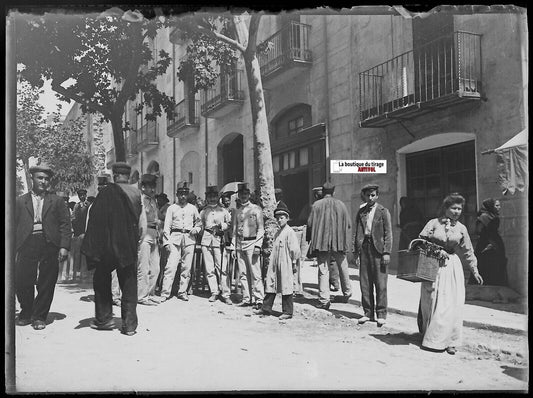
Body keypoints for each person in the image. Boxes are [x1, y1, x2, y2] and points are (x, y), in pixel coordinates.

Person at [81, 162, 147, 336]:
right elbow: (143, 225)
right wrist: (135, 242)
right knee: (129, 284)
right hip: (128, 247)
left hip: (108, 248)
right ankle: (129, 325)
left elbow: (95, 221)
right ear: (128, 175)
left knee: (101, 280)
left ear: (114, 175)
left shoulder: (105, 192)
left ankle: (104, 319)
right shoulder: (137, 194)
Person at [417, 193, 484, 355]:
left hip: (452, 267)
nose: (456, 211)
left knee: (451, 304)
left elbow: (468, 251)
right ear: (446, 208)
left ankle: (451, 341)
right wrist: (436, 250)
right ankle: (431, 337)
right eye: (453, 208)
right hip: (432, 264)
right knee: (432, 300)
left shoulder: (461, 228)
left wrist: (475, 270)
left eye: (459, 209)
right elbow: (419, 242)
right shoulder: (433, 223)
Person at [15, 165, 72, 330]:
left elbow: (65, 225)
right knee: (23, 279)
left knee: (47, 281)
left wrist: (64, 247)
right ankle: (26, 312)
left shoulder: (57, 201)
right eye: (40, 178)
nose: (43, 181)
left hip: (49, 243)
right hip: (27, 242)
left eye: (46, 179)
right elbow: (12, 225)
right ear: (32, 178)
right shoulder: (20, 201)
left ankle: (39, 316)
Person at [306, 181, 352, 310]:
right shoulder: (341, 205)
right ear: (334, 192)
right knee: (343, 266)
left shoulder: (316, 205)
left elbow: (309, 224)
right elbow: (348, 224)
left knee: (323, 269)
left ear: (323, 192)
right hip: (339, 242)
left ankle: (324, 300)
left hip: (322, 242)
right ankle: (347, 293)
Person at [353, 184, 392, 327]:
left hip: (379, 250)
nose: (370, 198)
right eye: (368, 195)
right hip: (364, 248)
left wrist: (386, 252)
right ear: (365, 196)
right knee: (365, 282)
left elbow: (388, 233)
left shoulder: (383, 211)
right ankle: (367, 313)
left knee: (380, 283)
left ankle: (381, 314)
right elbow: (357, 233)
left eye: (373, 195)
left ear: (377, 196)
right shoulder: (361, 212)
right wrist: (356, 252)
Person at [254, 202, 301, 319]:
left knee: (286, 285)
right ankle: (266, 308)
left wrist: (294, 263)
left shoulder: (290, 232)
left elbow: (294, 249)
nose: (279, 220)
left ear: (287, 218)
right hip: (275, 263)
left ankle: (288, 311)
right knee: (271, 283)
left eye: (282, 218)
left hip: (286, 262)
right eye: (278, 218)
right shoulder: (277, 233)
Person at [160, 181, 201, 302]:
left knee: (186, 267)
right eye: (180, 194)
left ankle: (182, 291)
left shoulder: (193, 208)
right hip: (175, 238)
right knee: (170, 266)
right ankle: (165, 292)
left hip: (189, 238)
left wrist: (196, 229)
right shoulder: (171, 208)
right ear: (177, 194)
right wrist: (166, 242)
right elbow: (167, 226)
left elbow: (199, 223)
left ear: (187, 195)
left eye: (185, 194)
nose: (183, 196)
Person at [232, 182, 265, 309]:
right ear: (238, 196)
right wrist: (234, 247)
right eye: (241, 194)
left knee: (255, 273)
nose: (243, 196)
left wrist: (258, 245)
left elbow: (261, 229)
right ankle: (247, 298)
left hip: (252, 243)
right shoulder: (238, 211)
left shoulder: (256, 209)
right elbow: (235, 231)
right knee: (243, 274)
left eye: (245, 194)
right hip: (240, 244)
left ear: (249, 194)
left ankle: (259, 299)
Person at [198, 186, 232, 303]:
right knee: (209, 268)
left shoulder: (223, 211)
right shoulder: (203, 211)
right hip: (206, 240)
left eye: (214, 196)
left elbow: (229, 224)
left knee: (222, 268)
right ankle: (214, 291)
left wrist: (222, 226)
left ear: (218, 197)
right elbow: (199, 224)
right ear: (207, 198)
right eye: (210, 197)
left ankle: (226, 293)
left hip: (219, 240)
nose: (212, 199)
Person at [137, 174, 161, 306]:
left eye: (153, 187)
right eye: (149, 187)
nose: (152, 190)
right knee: (143, 267)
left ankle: (150, 293)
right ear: (143, 187)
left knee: (155, 267)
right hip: (144, 235)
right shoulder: (140, 200)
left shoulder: (153, 201)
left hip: (154, 234)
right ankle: (141, 296)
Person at [471, 198, 507, 286]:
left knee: (497, 265)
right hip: (486, 243)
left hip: (496, 243)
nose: (499, 207)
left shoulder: (493, 215)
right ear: (490, 206)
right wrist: (489, 241)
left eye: (499, 205)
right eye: (497, 205)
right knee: (485, 263)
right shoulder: (484, 217)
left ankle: (496, 287)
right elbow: (478, 230)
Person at [71, 188, 90, 281]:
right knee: (77, 253)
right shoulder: (76, 206)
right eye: (80, 195)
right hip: (78, 233)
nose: (82, 197)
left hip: (86, 233)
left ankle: (85, 272)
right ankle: (76, 273)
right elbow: (73, 218)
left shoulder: (88, 205)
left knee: (85, 253)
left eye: (83, 195)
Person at [155, 193, 170, 294]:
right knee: (156, 263)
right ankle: (156, 284)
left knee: (163, 263)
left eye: (160, 199)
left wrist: (155, 212)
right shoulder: (158, 207)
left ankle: (161, 285)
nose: (159, 200)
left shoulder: (167, 208)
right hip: (156, 238)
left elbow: (163, 218)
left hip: (163, 238)